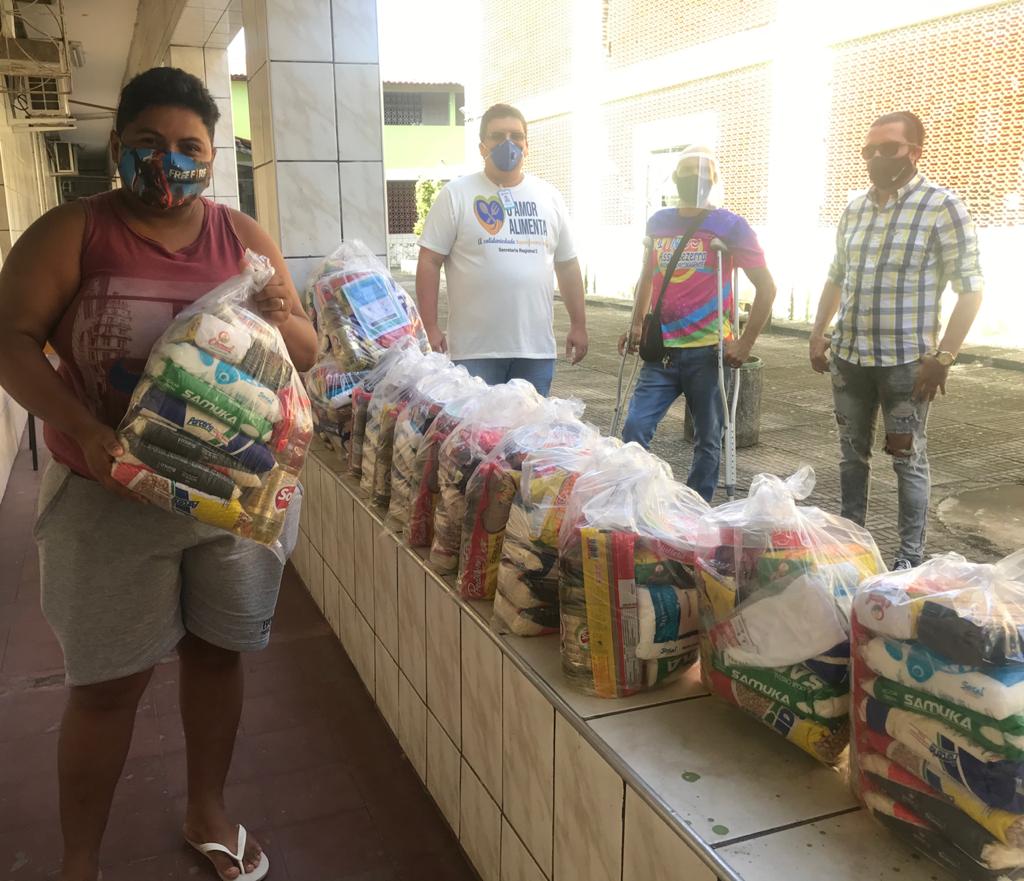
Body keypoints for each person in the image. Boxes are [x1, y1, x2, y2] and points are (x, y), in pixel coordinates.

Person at [0, 68, 318, 881]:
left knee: (217, 655)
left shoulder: (241, 236)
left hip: (230, 498)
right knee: (107, 686)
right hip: (107, 496)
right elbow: (11, 341)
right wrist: (85, 430)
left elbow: (306, 350)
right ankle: (79, 862)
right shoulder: (74, 231)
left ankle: (208, 810)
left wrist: (281, 314)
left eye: (188, 147)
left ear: (212, 157)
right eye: (148, 143)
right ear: (117, 146)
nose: (167, 161)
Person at [810, 110, 983, 570]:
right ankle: (851, 546)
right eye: (869, 150)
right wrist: (818, 332)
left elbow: (970, 289)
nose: (876, 158)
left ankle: (908, 560)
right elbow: (836, 276)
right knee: (851, 457)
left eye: (888, 148)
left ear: (914, 152)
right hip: (849, 359)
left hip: (907, 366)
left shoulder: (942, 207)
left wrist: (944, 357)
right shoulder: (854, 209)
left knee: (907, 459)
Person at [618, 146, 776, 502]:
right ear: (675, 179)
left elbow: (766, 286)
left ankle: (696, 506)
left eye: (702, 173)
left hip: (709, 352)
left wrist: (746, 343)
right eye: (687, 172)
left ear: (715, 180)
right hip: (661, 351)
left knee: (709, 437)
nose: (694, 179)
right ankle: (635, 501)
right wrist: (637, 324)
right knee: (635, 429)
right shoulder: (659, 222)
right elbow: (648, 277)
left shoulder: (731, 226)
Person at [415, 102, 588, 395]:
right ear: (482, 147)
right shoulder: (456, 195)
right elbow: (429, 261)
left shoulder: (549, 197)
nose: (508, 143)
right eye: (497, 136)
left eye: (516, 136)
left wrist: (579, 325)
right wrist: (429, 327)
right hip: (474, 352)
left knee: (529, 424)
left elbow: (567, 265)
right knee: (475, 425)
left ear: (527, 146)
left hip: (534, 351)